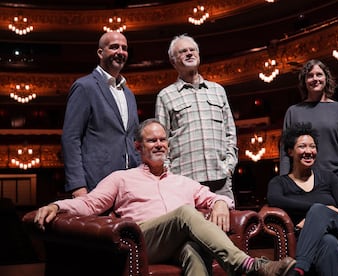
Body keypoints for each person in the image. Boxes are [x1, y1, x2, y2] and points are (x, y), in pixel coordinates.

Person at [34, 118, 296, 276]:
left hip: (174, 243)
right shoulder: (121, 178)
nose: (159, 144)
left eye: (162, 140)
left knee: (193, 250)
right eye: (151, 141)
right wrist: (57, 205)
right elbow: (89, 203)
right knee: (185, 213)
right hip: (143, 241)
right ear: (138, 147)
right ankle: (247, 265)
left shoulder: (183, 182)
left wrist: (218, 202)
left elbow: (215, 198)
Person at [267, 122, 338, 276]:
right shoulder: (279, 183)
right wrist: (318, 212)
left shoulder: (329, 177)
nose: (309, 151)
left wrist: (319, 214)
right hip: (314, 239)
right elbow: (274, 200)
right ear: (290, 151)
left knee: (318, 210)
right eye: (302, 146)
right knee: (329, 242)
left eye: (312, 146)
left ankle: (298, 268)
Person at [155, 34, 238, 201]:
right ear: (173, 61)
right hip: (184, 182)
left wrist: (229, 166)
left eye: (192, 50)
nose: (189, 53)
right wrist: (169, 174)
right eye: (182, 51)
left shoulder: (218, 90)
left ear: (198, 55)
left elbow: (230, 132)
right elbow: (161, 141)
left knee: (225, 226)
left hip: (220, 179)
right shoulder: (165, 96)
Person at [279, 59, 338, 199]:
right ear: (304, 81)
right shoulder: (293, 111)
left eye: (319, 74)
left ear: (326, 78)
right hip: (302, 179)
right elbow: (285, 153)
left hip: (337, 177)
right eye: (310, 75)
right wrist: (283, 182)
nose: (315, 79)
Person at [61, 31, 140, 198]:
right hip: (95, 183)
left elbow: (132, 140)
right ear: (100, 52)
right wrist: (78, 186)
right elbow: (71, 138)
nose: (120, 52)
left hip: (130, 185)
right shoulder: (85, 87)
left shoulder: (129, 94)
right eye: (114, 47)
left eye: (124, 48)